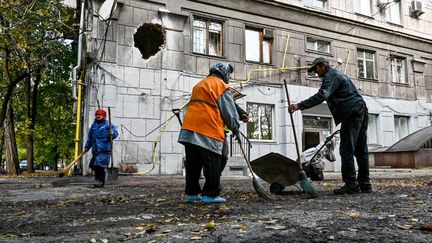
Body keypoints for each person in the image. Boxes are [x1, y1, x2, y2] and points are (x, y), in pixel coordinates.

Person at [288, 57, 372, 194]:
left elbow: (322, 95)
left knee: (346, 149)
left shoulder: (330, 75)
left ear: (322, 66)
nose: (316, 73)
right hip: (360, 109)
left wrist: (299, 105)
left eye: (316, 69)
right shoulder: (337, 75)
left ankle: (351, 183)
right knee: (360, 149)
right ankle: (365, 183)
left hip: (351, 111)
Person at [178, 63, 240, 204]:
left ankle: (192, 194)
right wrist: (235, 128)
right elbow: (229, 112)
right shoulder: (221, 86)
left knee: (193, 163)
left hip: (189, 129)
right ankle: (210, 195)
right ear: (225, 74)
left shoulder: (199, 85)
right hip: (208, 129)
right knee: (213, 161)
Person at [84, 109, 119, 188]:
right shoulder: (94, 125)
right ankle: (98, 181)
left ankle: (100, 182)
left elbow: (115, 134)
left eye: (100, 115)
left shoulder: (108, 125)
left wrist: (112, 133)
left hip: (104, 149)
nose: (98, 116)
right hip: (96, 149)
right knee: (95, 166)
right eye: (97, 115)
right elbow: (90, 137)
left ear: (104, 116)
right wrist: (87, 146)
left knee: (100, 166)